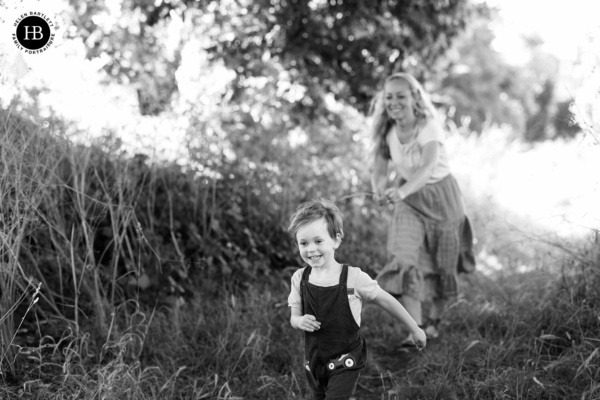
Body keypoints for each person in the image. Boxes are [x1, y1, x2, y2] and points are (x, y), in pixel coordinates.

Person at [369, 72, 474, 344]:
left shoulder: (428, 126)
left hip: (442, 198)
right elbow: (379, 170)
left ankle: (434, 322)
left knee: (443, 265)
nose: (394, 102)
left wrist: (401, 190)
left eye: (400, 96)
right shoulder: (386, 131)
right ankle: (416, 330)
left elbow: (428, 168)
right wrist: (380, 189)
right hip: (410, 203)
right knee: (404, 259)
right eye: (389, 96)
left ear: (414, 97)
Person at [287, 198, 426, 400]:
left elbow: (386, 300)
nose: (311, 249)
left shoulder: (354, 278)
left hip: (346, 359)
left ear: (336, 239)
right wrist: (299, 321)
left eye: (318, 241)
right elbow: (293, 317)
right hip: (314, 360)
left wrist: (414, 328)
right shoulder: (299, 279)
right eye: (304, 243)